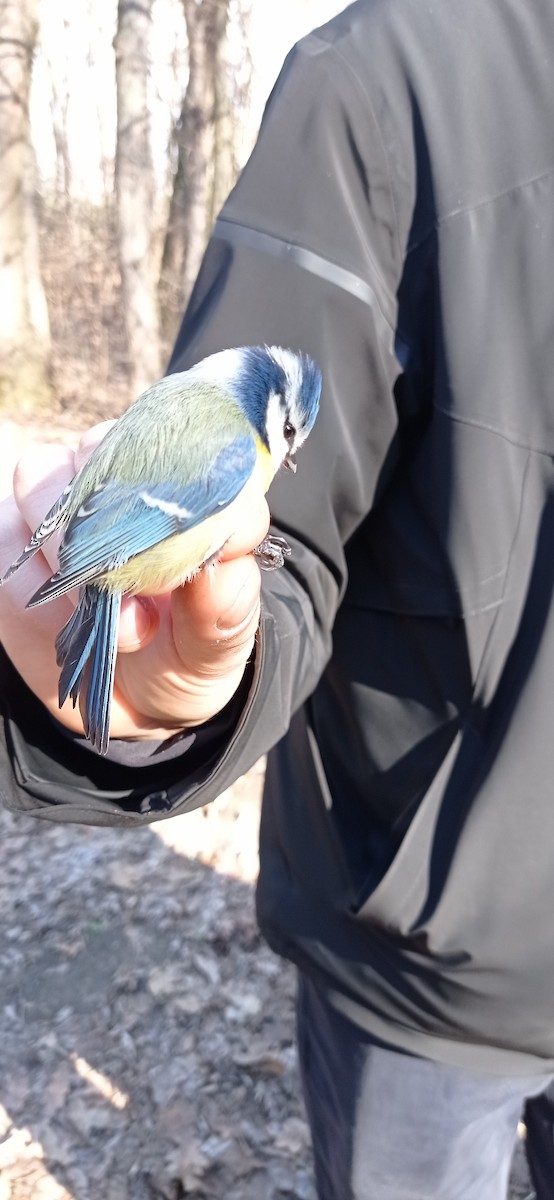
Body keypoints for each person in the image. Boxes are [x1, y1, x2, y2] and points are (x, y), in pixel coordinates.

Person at [2, 0, 554, 1195]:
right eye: (280, 433)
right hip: (425, 979)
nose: (284, 450)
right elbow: (276, 554)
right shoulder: (382, 81)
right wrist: (165, 691)